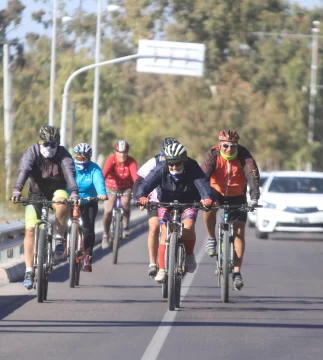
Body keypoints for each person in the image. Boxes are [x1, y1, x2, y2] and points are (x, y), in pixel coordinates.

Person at [11, 126, 80, 290]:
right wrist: (17, 189)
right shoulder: (32, 152)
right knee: (29, 230)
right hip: (36, 193)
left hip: (57, 190)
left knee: (63, 202)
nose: (49, 147)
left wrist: (75, 192)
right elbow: (24, 169)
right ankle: (28, 271)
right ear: (39, 142)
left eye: (52, 144)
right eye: (45, 143)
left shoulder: (63, 154)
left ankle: (58, 238)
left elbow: (69, 173)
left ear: (57, 144)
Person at [136, 142, 215, 283]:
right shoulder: (161, 168)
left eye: (177, 163)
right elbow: (146, 184)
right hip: (165, 201)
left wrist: (207, 198)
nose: (173, 167)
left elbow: (203, 184)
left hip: (189, 201)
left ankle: (189, 255)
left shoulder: (192, 167)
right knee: (165, 231)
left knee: (189, 228)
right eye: (170, 163)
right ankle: (161, 269)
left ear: (184, 160)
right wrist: (141, 196)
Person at [201, 129, 260, 290]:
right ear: (220, 144)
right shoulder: (213, 155)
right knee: (209, 205)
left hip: (237, 195)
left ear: (237, 145)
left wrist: (254, 198)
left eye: (233, 146)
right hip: (216, 192)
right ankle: (211, 238)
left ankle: (236, 272)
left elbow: (253, 176)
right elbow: (203, 176)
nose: (229, 149)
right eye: (225, 145)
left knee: (239, 231)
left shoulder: (244, 156)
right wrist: (201, 195)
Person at [132, 137, 179, 277]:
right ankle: (153, 263)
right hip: (154, 200)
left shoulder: (181, 162)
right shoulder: (154, 162)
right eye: (164, 155)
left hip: (175, 199)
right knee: (154, 226)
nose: (167, 159)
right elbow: (138, 181)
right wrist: (140, 198)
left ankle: (177, 250)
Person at [71, 143, 108, 272]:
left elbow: (99, 182)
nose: (81, 160)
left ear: (89, 158)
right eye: (79, 157)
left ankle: (87, 255)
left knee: (88, 227)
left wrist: (102, 193)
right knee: (64, 221)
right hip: (72, 199)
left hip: (89, 200)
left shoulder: (94, 169)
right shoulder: (70, 167)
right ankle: (65, 241)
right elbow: (65, 181)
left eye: (84, 158)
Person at [101, 140, 138, 249]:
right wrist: (100, 190)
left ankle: (126, 227)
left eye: (124, 152)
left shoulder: (131, 162)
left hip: (126, 187)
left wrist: (138, 190)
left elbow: (135, 177)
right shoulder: (111, 160)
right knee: (108, 210)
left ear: (127, 152)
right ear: (115, 152)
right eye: (119, 152)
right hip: (111, 187)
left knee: (125, 202)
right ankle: (105, 235)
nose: (121, 155)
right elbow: (104, 174)